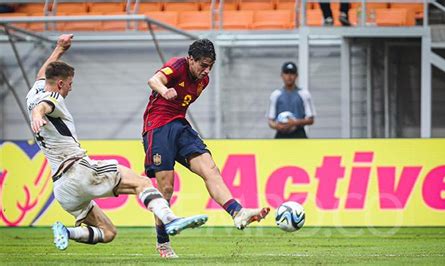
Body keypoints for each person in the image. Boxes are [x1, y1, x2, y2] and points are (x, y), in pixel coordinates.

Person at [27, 34, 208, 251]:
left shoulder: (33, 95)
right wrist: (38, 115)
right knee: (143, 184)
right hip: (78, 170)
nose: (70, 88)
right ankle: (170, 220)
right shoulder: (53, 97)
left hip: (62, 189)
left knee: (108, 233)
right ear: (59, 83)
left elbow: (42, 75)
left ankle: (66, 231)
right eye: (69, 84)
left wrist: (60, 48)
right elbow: (45, 106)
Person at [142, 39, 270, 258]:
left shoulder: (204, 80)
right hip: (158, 126)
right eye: (203, 65)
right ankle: (163, 243)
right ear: (191, 60)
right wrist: (164, 90)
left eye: (210, 65)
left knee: (210, 169)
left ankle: (237, 212)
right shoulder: (179, 65)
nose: (207, 70)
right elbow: (153, 80)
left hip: (180, 126)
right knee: (166, 189)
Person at [267, 62, 315, 139]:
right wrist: (277, 126)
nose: (289, 76)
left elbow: (310, 119)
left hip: (299, 134)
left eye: (292, 73)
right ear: (282, 75)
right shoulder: (275, 94)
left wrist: (294, 123)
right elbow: (270, 120)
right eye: (286, 73)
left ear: (296, 76)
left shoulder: (304, 94)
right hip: (281, 135)